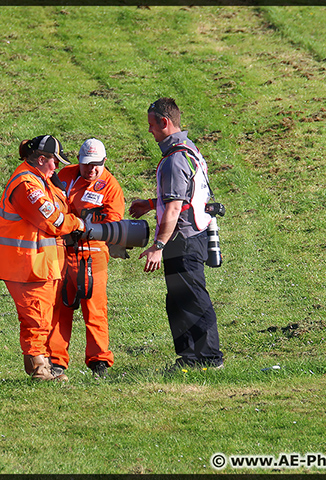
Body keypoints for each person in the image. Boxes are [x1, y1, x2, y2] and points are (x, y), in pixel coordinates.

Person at [129, 97, 224, 370]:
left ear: (164, 122)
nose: (150, 131)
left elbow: (173, 209)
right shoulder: (190, 149)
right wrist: (150, 204)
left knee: (192, 298)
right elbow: (186, 196)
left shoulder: (174, 159)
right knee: (180, 299)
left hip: (181, 239)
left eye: (151, 125)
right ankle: (191, 358)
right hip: (194, 235)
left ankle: (209, 358)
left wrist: (158, 245)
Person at [0, 135, 86, 381]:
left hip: (41, 263)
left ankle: (40, 363)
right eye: (54, 162)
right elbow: (53, 220)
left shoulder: (39, 180)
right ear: (41, 159)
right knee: (36, 317)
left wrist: (54, 183)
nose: (57, 168)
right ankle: (40, 369)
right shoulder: (26, 184)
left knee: (41, 316)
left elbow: (58, 208)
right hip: (26, 264)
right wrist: (76, 223)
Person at [48, 138, 125, 379]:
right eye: (86, 165)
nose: (91, 170)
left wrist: (84, 228)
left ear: (104, 162)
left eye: (96, 165)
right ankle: (55, 360)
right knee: (59, 307)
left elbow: (113, 226)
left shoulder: (111, 187)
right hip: (61, 251)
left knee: (95, 308)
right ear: (79, 162)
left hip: (93, 255)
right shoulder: (65, 174)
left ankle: (99, 361)